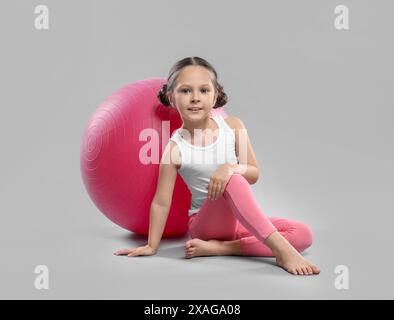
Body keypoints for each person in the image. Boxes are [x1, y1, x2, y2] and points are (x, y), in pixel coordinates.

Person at [115, 56, 320, 275]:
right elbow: (161, 202)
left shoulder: (233, 126)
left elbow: (253, 173)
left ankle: (222, 248)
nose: (195, 98)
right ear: (171, 97)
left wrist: (230, 168)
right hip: (204, 225)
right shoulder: (175, 148)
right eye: (185, 91)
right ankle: (281, 250)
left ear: (215, 96)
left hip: (235, 220)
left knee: (303, 234)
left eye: (204, 90)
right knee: (233, 180)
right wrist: (151, 245)